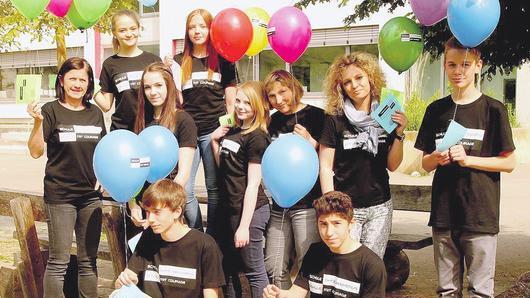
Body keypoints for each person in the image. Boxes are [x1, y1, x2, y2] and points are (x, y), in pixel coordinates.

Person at [414, 37, 516, 297]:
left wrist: (468, 160)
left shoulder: (494, 110)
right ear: (445, 67)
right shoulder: (436, 110)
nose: (458, 71)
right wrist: (436, 158)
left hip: (480, 215)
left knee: (480, 291)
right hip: (444, 215)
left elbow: (509, 162)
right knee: (447, 290)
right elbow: (424, 164)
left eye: (465, 65)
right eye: (451, 65)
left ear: (478, 66)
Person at [27, 57, 106, 298]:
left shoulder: (95, 113)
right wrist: (38, 122)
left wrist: (104, 175)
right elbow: (35, 151)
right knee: (59, 261)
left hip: (91, 197)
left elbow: (105, 151)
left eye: (83, 79)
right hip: (60, 196)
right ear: (61, 80)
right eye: (72, 78)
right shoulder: (50, 110)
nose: (77, 84)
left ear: (89, 83)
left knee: (88, 261)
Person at [319, 52, 408, 259]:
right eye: (347, 82)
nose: (354, 85)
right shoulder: (335, 118)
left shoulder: (387, 114)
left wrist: (400, 133)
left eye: (359, 77)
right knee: (347, 265)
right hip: (347, 208)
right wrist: (332, 207)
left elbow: (392, 165)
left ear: (371, 77)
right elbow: (325, 166)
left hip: (380, 206)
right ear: (341, 87)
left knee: (371, 265)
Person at [167, 8, 237, 234]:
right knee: (185, 190)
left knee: (214, 188)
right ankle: (196, 233)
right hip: (187, 133)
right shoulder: (179, 61)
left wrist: (227, 127)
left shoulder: (223, 59)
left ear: (211, 29)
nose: (196, 31)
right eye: (192, 27)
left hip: (214, 131)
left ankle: (213, 236)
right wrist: (170, 73)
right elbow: (178, 101)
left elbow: (230, 99)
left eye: (202, 26)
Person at [263, 70, 324, 289]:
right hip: (279, 205)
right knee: (274, 266)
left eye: (283, 92)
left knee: (307, 264)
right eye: (272, 95)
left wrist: (311, 142)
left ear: (294, 88)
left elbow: (329, 160)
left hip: (307, 205)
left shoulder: (317, 116)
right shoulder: (272, 122)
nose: (278, 100)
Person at [262, 191, 387, 298]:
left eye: (336, 223)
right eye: (323, 224)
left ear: (350, 224)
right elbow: (297, 293)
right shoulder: (314, 253)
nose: (329, 232)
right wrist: (279, 294)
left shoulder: (371, 265)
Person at [115, 179, 225, 298]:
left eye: (157, 212)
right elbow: (121, 285)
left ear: (177, 212)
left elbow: (211, 294)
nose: (150, 219)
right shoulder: (148, 236)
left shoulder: (205, 244)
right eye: (147, 212)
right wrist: (123, 281)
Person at [210, 81, 270, 297]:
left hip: (250, 212)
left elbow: (253, 184)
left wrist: (244, 226)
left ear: (258, 106)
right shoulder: (233, 131)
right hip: (229, 209)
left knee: (253, 269)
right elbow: (225, 167)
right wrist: (215, 142)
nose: (241, 106)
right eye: (238, 101)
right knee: (229, 268)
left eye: (247, 102)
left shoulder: (258, 137)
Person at [128, 62, 197, 231]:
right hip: (145, 205)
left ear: (169, 85)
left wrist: (162, 207)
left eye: (158, 85)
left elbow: (183, 173)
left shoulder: (183, 120)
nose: (153, 92)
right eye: (147, 87)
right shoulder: (140, 121)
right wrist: (133, 205)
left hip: (169, 207)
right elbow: (134, 169)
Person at [95, 9, 161, 131]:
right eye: (122, 30)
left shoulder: (153, 60)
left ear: (139, 29)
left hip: (152, 129)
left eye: (133, 28)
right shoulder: (110, 64)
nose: (129, 34)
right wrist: (91, 85)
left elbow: (166, 97)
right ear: (114, 33)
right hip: (122, 131)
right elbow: (106, 105)